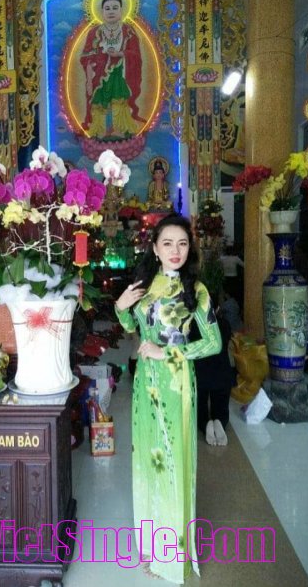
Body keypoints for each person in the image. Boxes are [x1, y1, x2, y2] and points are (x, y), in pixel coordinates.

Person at [115, 214, 222, 584]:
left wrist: (169, 353)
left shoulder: (197, 290)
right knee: (148, 459)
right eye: (168, 243)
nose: (176, 251)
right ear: (155, 248)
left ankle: (171, 555)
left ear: (189, 248)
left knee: (172, 461)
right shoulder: (144, 285)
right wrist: (121, 307)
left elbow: (213, 343)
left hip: (176, 382)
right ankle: (150, 546)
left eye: (182, 243)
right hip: (145, 384)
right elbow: (132, 329)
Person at [80, 0, 145, 138]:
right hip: (99, 75)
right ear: (101, 12)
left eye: (115, 8)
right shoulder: (94, 32)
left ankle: (122, 130)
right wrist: (90, 77)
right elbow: (86, 57)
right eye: (107, 8)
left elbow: (136, 54)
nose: (111, 11)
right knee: (99, 102)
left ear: (122, 10)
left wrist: (120, 54)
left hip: (120, 73)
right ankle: (99, 132)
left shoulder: (128, 31)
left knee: (119, 100)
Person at [193, 303, 237, 446]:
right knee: (221, 409)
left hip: (200, 376)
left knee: (200, 409)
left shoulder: (193, 325)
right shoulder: (224, 324)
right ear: (217, 309)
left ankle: (206, 424)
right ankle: (219, 422)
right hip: (222, 374)